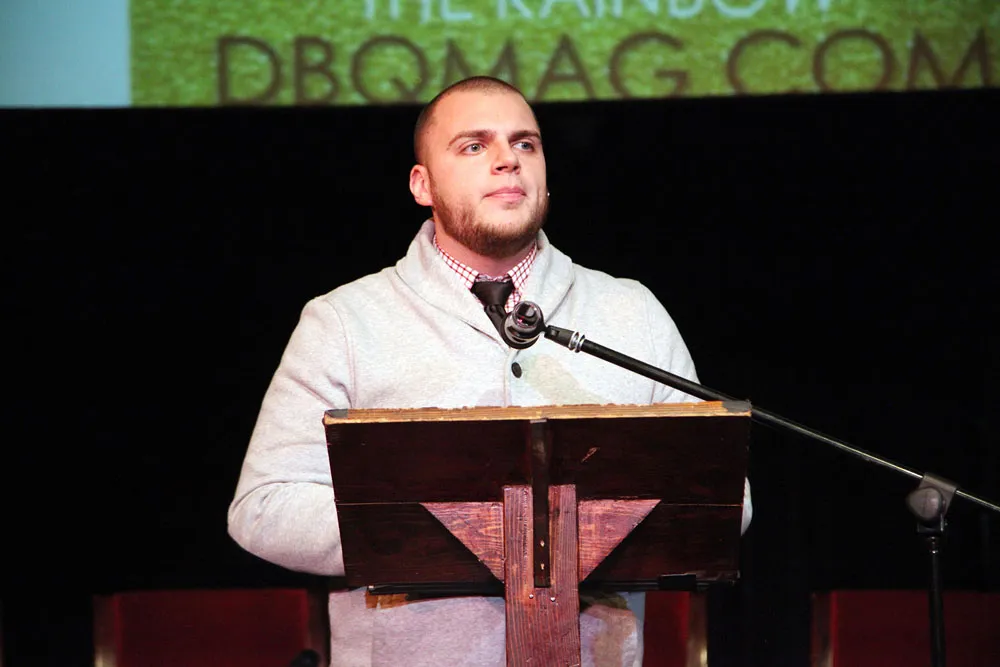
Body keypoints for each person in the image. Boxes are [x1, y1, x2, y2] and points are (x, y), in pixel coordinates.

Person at [228, 76, 752, 667]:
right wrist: (466, 528)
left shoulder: (632, 312)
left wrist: (570, 531)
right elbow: (263, 509)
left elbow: (725, 499)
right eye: (474, 146)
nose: (508, 160)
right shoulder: (345, 321)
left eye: (525, 144)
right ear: (422, 184)